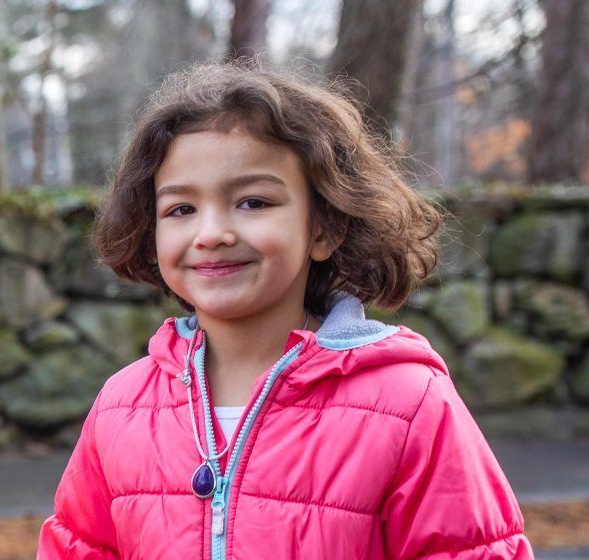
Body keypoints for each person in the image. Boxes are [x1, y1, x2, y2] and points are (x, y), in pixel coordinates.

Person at [37, 61, 533, 559]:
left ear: (325, 229)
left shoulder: (408, 404)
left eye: (253, 202)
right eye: (181, 209)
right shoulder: (121, 406)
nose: (211, 233)